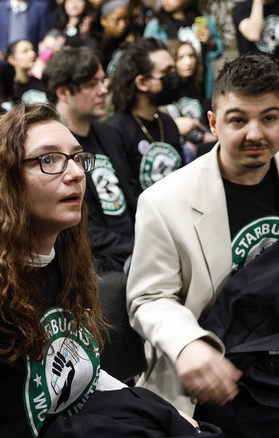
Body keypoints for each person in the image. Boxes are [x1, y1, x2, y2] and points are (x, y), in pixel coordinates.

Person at [0, 102, 203, 437]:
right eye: (49, 160)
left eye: (76, 157)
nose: (75, 173)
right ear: (4, 182)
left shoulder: (65, 259)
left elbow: (81, 371)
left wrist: (161, 412)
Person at [126, 54, 279, 437]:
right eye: (238, 119)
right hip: (220, 380)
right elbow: (148, 298)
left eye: (270, 118)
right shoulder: (165, 202)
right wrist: (188, 343)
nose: (255, 133)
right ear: (213, 123)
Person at [43, 46, 138, 274]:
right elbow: (77, 227)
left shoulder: (107, 133)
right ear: (63, 92)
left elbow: (130, 194)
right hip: (95, 262)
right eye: (91, 84)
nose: (104, 90)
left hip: (134, 245)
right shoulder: (50, 147)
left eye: (102, 81)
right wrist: (135, 247)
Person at [106, 38, 187, 192]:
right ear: (142, 83)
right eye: (166, 72)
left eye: (174, 70)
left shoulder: (167, 122)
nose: (174, 76)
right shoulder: (116, 129)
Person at [142, 0, 223, 98]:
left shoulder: (202, 20)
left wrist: (210, 41)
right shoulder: (156, 25)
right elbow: (146, 56)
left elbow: (217, 51)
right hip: (170, 87)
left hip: (200, 85)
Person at [6, 39, 46, 104]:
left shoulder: (39, 82)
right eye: (25, 51)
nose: (32, 54)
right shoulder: (9, 89)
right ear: (11, 60)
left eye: (32, 50)